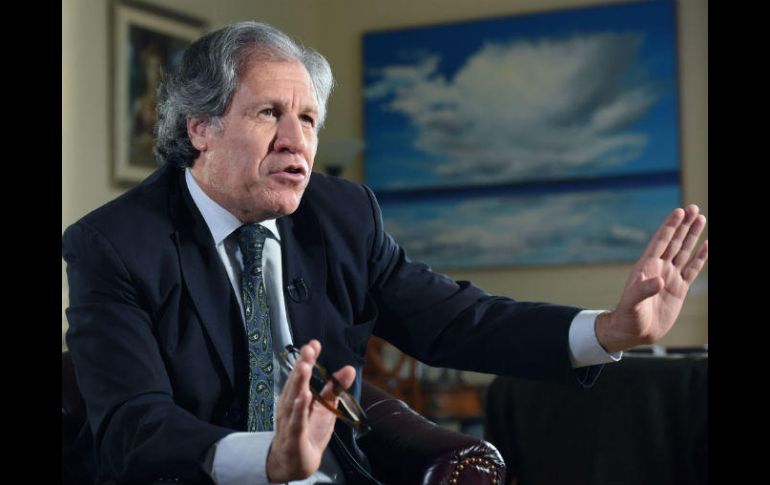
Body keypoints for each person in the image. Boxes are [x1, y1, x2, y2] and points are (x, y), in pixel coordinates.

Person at [62, 21, 708, 485]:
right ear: (201, 128)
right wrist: (266, 458)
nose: (296, 141)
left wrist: (609, 330)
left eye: (308, 119)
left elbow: (455, 320)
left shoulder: (341, 215)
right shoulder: (113, 244)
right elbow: (131, 424)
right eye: (268, 113)